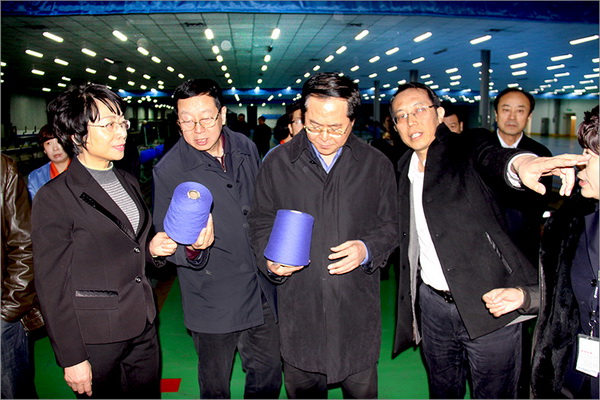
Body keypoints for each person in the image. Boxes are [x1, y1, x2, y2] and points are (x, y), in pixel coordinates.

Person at [390, 82, 589, 399]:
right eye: (401, 115)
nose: (410, 121)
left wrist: (522, 165)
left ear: (439, 114)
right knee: (442, 390)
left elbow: (494, 157)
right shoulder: (404, 167)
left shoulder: (466, 146)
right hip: (434, 308)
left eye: (418, 110)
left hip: (490, 303)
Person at [31, 83, 192, 398]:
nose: (122, 132)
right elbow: (51, 285)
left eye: (122, 122)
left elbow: (130, 245)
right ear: (76, 135)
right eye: (108, 125)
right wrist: (72, 357)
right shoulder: (55, 197)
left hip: (142, 323)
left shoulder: (126, 180)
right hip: (96, 336)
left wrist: (152, 250)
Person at [248, 72, 398, 399]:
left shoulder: (375, 165)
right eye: (314, 126)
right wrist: (269, 259)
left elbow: (391, 225)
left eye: (336, 128)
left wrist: (367, 248)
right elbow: (260, 221)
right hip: (301, 311)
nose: (324, 137)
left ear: (352, 121)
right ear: (302, 117)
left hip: (355, 313)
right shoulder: (278, 163)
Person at [152, 78, 281, 399]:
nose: (198, 130)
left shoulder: (245, 147)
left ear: (222, 114)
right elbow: (166, 239)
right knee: (215, 386)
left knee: (267, 375)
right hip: (212, 295)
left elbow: (262, 207)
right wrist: (193, 250)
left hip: (260, 288)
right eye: (187, 121)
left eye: (206, 118)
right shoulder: (169, 170)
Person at [483, 105, 599, 399]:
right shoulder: (577, 219)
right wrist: (526, 297)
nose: (580, 163)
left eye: (590, 154)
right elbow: (568, 293)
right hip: (574, 371)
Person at [491, 87, 553, 265]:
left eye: (520, 111)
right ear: (496, 114)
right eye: (506, 110)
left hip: (523, 244)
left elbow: (541, 202)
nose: (512, 117)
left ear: (529, 116)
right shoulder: (479, 150)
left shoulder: (541, 154)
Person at [1, 154, 44, 399]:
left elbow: (23, 244)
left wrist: (9, 310)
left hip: (4, 311)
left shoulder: (3, 169)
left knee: (12, 390)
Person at [27, 124, 71, 199]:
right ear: (44, 149)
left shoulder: (84, 170)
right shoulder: (35, 178)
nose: (55, 148)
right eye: (49, 143)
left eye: (59, 141)